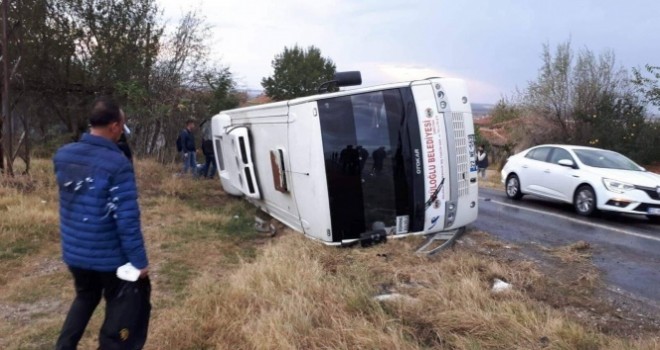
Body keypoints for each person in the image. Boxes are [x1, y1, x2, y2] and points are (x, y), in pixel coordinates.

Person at [53, 97, 151, 350]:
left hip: (75, 253)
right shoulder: (117, 163)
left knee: (85, 297)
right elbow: (127, 219)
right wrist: (139, 262)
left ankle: (64, 346)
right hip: (109, 258)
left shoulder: (63, 156)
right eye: (123, 125)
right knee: (120, 310)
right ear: (115, 126)